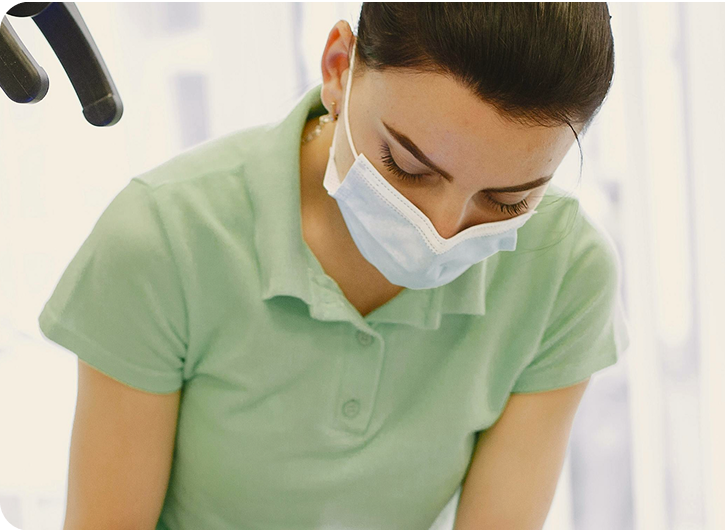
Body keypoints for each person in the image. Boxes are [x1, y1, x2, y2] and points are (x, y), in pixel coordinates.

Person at [40, 3, 630, 529]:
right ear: (339, 67)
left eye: (507, 201)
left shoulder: (565, 272)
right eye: (407, 166)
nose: (443, 230)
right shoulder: (163, 240)